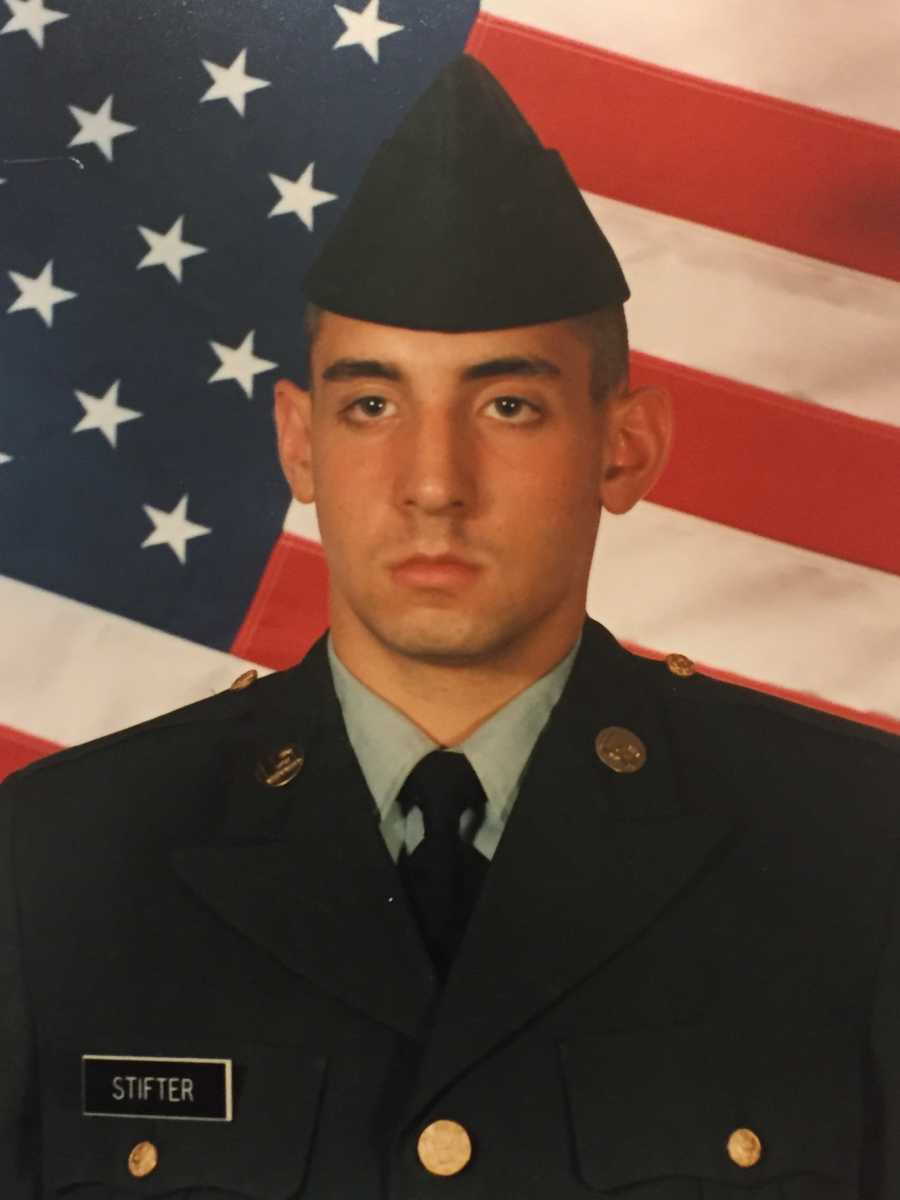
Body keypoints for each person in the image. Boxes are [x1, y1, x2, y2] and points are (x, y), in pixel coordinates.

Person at [2, 53, 899, 1200]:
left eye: (508, 404)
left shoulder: (859, 852)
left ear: (626, 448)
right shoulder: (55, 863)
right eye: (371, 404)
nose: (433, 481)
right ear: (298, 443)